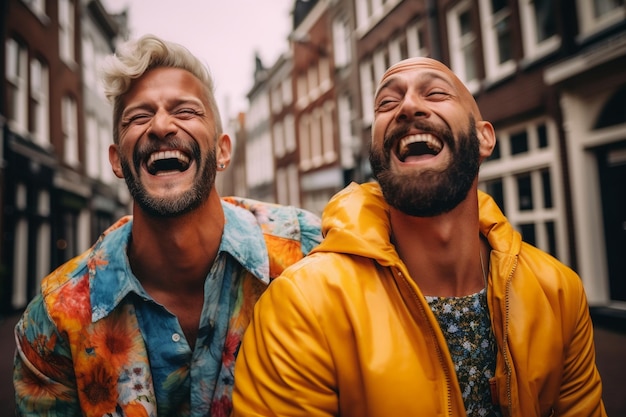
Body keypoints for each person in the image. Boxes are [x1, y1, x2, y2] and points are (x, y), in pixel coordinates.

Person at [232, 57, 607, 417]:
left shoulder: (559, 293)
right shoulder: (302, 305)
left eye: (436, 94)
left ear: (484, 138)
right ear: (376, 148)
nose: (408, 107)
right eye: (387, 102)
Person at [13, 34, 322, 417]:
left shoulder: (309, 251)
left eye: (186, 111)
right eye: (139, 116)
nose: (160, 125)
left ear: (223, 149)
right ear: (116, 159)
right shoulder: (54, 321)